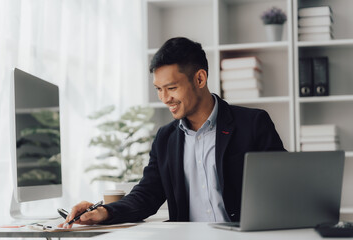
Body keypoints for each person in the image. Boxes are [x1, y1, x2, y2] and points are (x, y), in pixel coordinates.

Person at [61, 37, 285, 228]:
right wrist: (104, 212)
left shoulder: (253, 123)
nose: (165, 98)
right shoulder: (165, 138)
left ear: (200, 79)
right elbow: (146, 196)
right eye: (159, 89)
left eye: (171, 88)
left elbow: (285, 186)